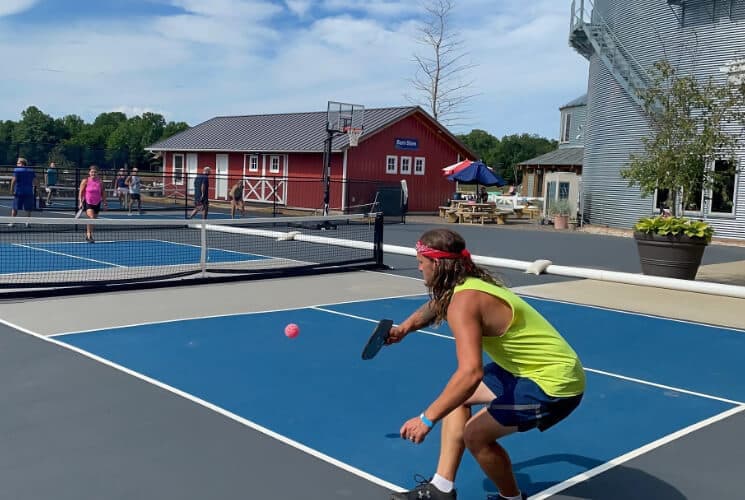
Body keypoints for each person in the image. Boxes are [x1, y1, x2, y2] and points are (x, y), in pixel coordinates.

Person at [387, 228, 585, 500]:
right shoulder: (464, 285)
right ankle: (441, 489)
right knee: (456, 398)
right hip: (525, 370)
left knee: (475, 436)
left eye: (421, 261)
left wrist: (426, 419)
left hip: (554, 384)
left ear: (437, 264)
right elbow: (436, 305)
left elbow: (470, 373)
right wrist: (405, 327)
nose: (419, 267)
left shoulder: (464, 304)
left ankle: (511, 499)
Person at [78, 165, 107, 242]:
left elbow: (103, 193)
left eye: (95, 172)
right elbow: (81, 192)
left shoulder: (100, 182)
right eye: (92, 172)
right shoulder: (85, 181)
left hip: (97, 203)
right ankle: (89, 235)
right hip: (88, 202)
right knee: (91, 217)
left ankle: (90, 233)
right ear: (89, 172)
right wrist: (80, 202)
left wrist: (105, 203)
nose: (93, 173)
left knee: (93, 220)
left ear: (97, 173)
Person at [10, 157, 38, 223]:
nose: (17, 164)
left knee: (14, 208)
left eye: (18, 163)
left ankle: (12, 222)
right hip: (28, 192)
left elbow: (13, 180)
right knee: (28, 209)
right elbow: (36, 181)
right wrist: (38, 191)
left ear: (22, 163)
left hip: (19, 192)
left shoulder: (17, 170)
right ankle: (27, 222)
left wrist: (11, 190)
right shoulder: (31, 170)